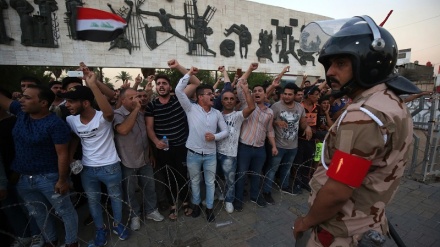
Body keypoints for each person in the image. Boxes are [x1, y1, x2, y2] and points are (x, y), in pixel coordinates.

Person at [293, 16, 420, 246]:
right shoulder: (390, 102)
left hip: (341, 232)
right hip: (368, 222)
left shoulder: (363, 116)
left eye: (340, 63)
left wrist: (306, 221)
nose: (330, 71)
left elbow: (337, 192)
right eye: (329, 64)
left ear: (368, 64)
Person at [0, 84, 79, 247]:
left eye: (27, 97)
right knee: (38, 213)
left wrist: (62, 180)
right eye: (22, 96)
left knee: (65, 211)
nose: (21, 100)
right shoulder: (21, 113)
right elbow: (4, 101)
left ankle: (72, 242)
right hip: (23, 179)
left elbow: (62, 154)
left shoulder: (54, 124)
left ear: (43, 103)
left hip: (48, 177)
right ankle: (51, 240)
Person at [61, 68, 128, 246]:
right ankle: (100, 229)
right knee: (93, 202)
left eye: (71, 101)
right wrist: (69, 159)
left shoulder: (102, 117)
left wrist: (93, 85)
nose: (67, 105)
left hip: (110, 167)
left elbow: (109, 113)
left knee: (116, 198)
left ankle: (118, 224)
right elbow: (75, 138)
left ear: (86, 103)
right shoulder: (71, 120)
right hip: (87, 169)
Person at [145, 59, 200, 221]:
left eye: (164, 83)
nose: (161, 85)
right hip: (164, 149)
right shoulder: (152, 105)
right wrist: (156, 142)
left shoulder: (179, 98)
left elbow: (196, 82)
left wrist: (178, 67)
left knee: (183, 176)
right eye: (158, 83)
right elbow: (149, 127)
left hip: (182, 146)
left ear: (170, 87)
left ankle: (184, 203)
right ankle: (172, 206)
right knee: (168, 178)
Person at [175, 66, 228, 222]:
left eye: (213, 93)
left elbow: (225, 131)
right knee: (195, 182)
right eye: (210, 94)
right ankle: (196, 205)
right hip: (193, 154)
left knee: (210, 183)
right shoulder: (190, 108)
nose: (213, 95)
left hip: (211, 155)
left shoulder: (217, 113)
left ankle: (209, 208)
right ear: (200, 97)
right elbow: (179, 91)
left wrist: (215, 136)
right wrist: (189, 74)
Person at [113, 88, 164, 231]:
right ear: (122, 100)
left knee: (149, 186)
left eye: (137, 97)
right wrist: (135, 110)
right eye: (132, 98)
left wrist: (151, 154)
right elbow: (123, 130)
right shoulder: (118, 114)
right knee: (129, 191)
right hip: (127, 160)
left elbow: (146, 135)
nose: (137, 100)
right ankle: (134, 214)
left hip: (144, 157)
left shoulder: (143, 113)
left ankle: (151, 210)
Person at [234, 64, 278, 211]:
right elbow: (240, 83)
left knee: (256, 175)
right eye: (255, 91)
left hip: (260, 150)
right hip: (244, 148)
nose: (257, 93)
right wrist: (250, 70)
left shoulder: (269, 113)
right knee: (241, 175)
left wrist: (273, 146)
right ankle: (238, 199)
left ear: (266, 95)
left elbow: (269, 130)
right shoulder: (246, 104)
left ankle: (254, 196)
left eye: (260, 91)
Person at [262, 83, 311, 204]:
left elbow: (303, 122)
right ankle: (266, 191)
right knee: (272, 169)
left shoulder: (300, 107)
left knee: (287, 168)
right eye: (285, 94)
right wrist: (276, 122)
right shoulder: (276, 106)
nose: (287, 96)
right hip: (278, 145)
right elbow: (267, 121)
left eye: (290, 94)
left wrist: (307, 127)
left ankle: (285, 186)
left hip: (293, 145)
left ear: (295, 95)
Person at [216, 63, 256, 213]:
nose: (228, 101)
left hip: (230, 154)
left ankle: (229, 200)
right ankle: (220, 194)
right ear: (222, 100)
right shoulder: (216, 114)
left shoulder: (238, 116)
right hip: (215, 151)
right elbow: (226, 85)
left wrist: (246, 90)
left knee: (230, 180)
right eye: (225, 99)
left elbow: (251, 108)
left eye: (231, 99)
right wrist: (224, 72)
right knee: (216, 177)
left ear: (235, 101)